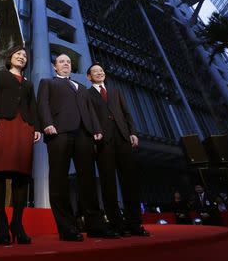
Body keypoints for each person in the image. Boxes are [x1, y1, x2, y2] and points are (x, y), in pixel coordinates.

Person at [37, 53, 116, 241]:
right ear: (55, 67)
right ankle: (67, 228)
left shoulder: (82, 87)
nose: (65, 64)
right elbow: (42, 104)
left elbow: (90, 110)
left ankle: (95, 225)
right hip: (59, 132)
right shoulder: (47, 82)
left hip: (84, 134)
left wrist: (96, 128)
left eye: (68, 62)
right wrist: (47, 123)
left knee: (88, 179)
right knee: (59, 179)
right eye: (61, 61)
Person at [0, 45, 41, 245]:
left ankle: (17, 223)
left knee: (22, 176)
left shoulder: (29, 84)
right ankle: (2, 222)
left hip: (24, 128)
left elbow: (33, 106)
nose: (22, 57)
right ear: (10, 57)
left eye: (24, 56)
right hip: (1, 124)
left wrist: (37, 127)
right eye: (18, 54)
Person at [86, 63, 149, 236]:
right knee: (108, 184)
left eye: (101, 71)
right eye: (95, 72)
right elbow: (89, 117)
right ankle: (116, 225)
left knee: (130, 182)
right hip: (103, 142)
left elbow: (126, 113)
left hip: (123, 139)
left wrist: (133, 132)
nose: (99, 73)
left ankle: (135, 224)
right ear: (89, 77)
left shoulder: (115, 91)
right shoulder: (87, 93)